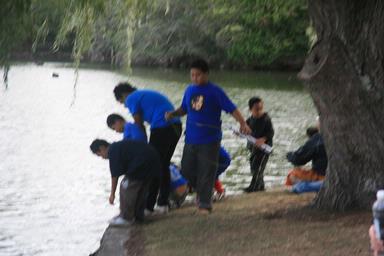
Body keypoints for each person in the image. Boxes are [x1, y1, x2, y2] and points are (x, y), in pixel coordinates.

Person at [165, 59, 251, 214]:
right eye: (192, 75)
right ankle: (203, 192)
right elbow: (184, 108)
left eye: (198, 75)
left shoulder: (215, 91)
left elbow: (231, 108)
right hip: (191, 138)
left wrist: (243, 123)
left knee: (206, 170)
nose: (195, 78)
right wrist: (173, 114)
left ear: (206, 74)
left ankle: (204, 205)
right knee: (186, 170)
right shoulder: (189, 90)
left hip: (209, 139)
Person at [113, 83, 182, 214]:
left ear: (123, 95)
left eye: (122, 102)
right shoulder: (143, 94)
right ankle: (162, 203)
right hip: (176, 126)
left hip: (162, 127)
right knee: (163, 164)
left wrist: (142, 144)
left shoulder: (131, 98)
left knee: (154, 165)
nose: (125, 105)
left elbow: (139, 123)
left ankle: (149, 206)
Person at [89, 139, 161, 226]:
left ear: (102, 148)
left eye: (100, 154)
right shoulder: (118, 147)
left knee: (126, 186)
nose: (102, 158)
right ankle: (137, 215)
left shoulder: (112, 151)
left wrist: (112, 194)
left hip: (142, 163)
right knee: (140, 188)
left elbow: (114, 176)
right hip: (152, 162)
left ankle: (126, 218)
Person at [243, 97, 274, 193]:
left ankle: (254, 187)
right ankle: (260, 186)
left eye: (261, 108)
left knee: (258, 167)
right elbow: (245, 127)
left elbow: (271, 132)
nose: (259, 111)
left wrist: (263, 139)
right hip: (253, 148)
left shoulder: (266, 119)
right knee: (253, 166)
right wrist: (240, 131)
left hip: (264, 148)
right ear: (250, 109)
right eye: (256, 109)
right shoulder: (250, 119)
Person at [285, 126, 328, 192]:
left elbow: (299, 159)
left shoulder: (317, 139)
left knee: (292, 174)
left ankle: (305, 186)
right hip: (335, 175)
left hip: (322, 174)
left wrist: (289, 156)